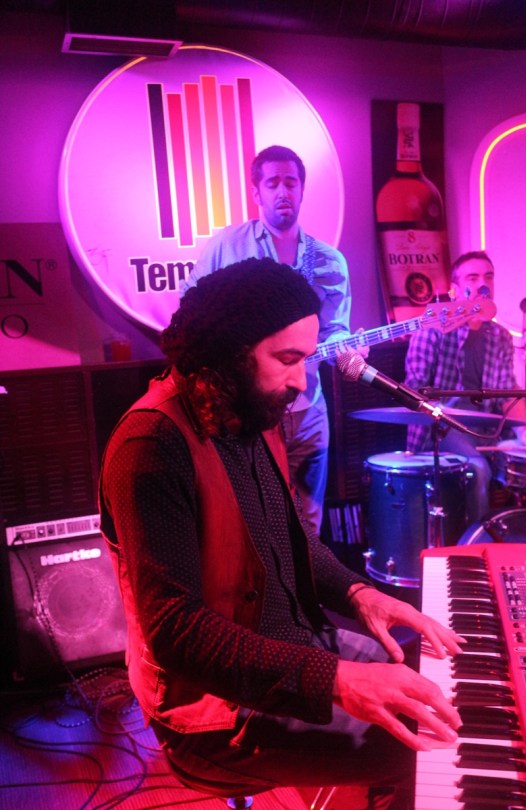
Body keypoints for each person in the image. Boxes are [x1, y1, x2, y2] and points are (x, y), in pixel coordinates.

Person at [100, 258, 463, 807]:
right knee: (431, 749)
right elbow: (177, 633)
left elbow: (291, 541)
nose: (301, 380)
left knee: (444, 691)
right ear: (231, 351)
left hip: (294, 648)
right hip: (213, 711)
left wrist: (359, 593)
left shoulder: (251, 412)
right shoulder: (151, 446)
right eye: (288, 360)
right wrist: (337, 680)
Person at [179, 144, 360, 534]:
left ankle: (305, 576)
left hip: (307, 411)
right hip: (246, 410)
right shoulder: (226, 246)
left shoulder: (329, 261)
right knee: (252, 524)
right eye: (273, 183)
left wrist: (349, 352)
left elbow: (335, 332)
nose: (283, 191)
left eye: (291, 182)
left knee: (308, 525)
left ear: (302, 190)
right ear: (256, 192)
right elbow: (189, 312)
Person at [404, 250, 526, 524]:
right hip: (443, 430)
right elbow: (414, 389)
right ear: (454, 290)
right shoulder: (432, 328)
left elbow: (506, 392)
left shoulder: (499, 335)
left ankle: (522, 538)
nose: (483, 284)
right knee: (478, 470)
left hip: (488, 431)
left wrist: (525, 431)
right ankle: (479, 542)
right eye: (473, 278)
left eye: (488, 277)